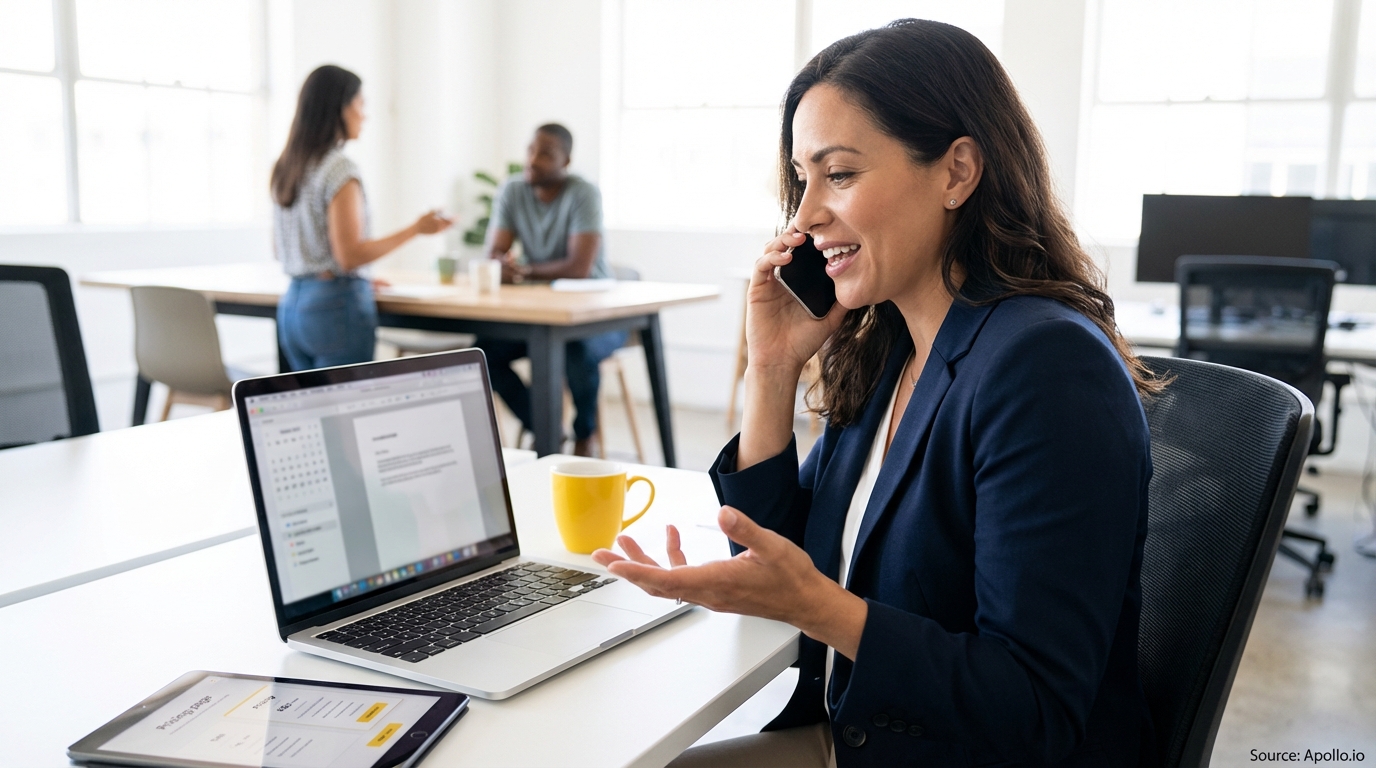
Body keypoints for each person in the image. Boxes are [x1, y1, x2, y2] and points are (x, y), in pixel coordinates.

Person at [593, 20, 1160, 768]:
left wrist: (820, 608)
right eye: (802, 179)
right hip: (862, 732)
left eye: (840, 174)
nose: (804, 216)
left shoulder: (1045, 367)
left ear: (957, 172)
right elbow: (780, 564)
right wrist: (771, 371)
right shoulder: (896, 343)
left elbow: (1035, 710)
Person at [270, 64, 452, 371]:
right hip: (334, 308)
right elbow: (349, 256)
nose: (365, 115)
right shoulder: (339, 170)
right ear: (341, 109)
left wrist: (356, 280)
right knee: (344, 415)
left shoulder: (287, 166)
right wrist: (416, 229)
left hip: (293, 307)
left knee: (310, 413)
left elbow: (280, 249)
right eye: (361, 104)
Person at [476, 123, 624, 456]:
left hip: (598, 311)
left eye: (546, 153)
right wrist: (503, 266)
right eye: (531, 150)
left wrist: (523, 271)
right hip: (542, 314)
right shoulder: (513, 190)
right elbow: (494, 256)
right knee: (483, 355)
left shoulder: (583, 192)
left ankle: (585, 436)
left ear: (566, 161)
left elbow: (579, 267)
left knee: (576, 351)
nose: (533, 160)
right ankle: (546, 430)